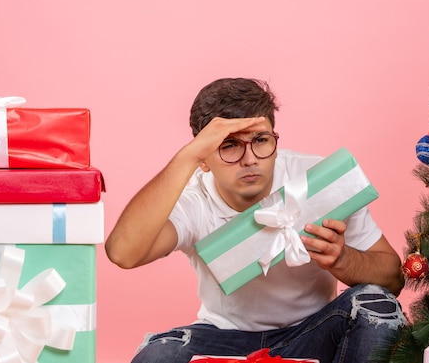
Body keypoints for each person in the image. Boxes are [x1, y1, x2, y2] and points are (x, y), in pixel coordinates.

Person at [105, 78, 406, 363]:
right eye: (230, 145)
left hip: (313, 332)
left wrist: (343, 259)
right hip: (224, 337)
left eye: (261, 140)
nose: (250, 159)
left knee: (376, 304)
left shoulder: (318, 183)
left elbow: (393, 279)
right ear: (204, 157)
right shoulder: (192, 199)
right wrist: (187, 158)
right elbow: (122, 253)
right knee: (160, 356)